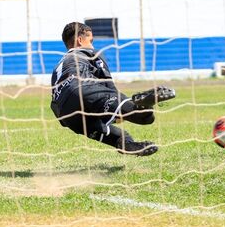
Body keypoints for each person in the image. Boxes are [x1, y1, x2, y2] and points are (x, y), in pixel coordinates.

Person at [50, 22, 176, 156]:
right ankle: (143, 102)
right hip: (83, 88)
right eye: (90, 41)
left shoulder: (59, 65)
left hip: (64, 113)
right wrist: (126, 105)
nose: (92, 45)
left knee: (110, 132)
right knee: (146, 118)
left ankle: (127, 144)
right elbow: (109, 87)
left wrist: (117, 113)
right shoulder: (91, 53)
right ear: (80, 40)